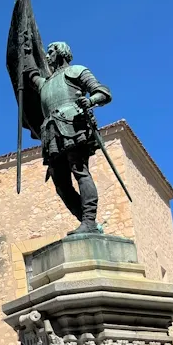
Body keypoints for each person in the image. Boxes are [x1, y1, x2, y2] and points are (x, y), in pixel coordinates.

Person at [26, 41, 113, 235]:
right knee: (61, 184)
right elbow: (31, 75)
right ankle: (86, 221)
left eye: (50, 52)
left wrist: (90, 100)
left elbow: (104, 93)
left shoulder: (76, 71)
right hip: (51, 133)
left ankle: (89, 220)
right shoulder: (44, 84)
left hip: (73, 125)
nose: (47, 57)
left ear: (61, 53)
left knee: (79, 170)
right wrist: (25, 50)